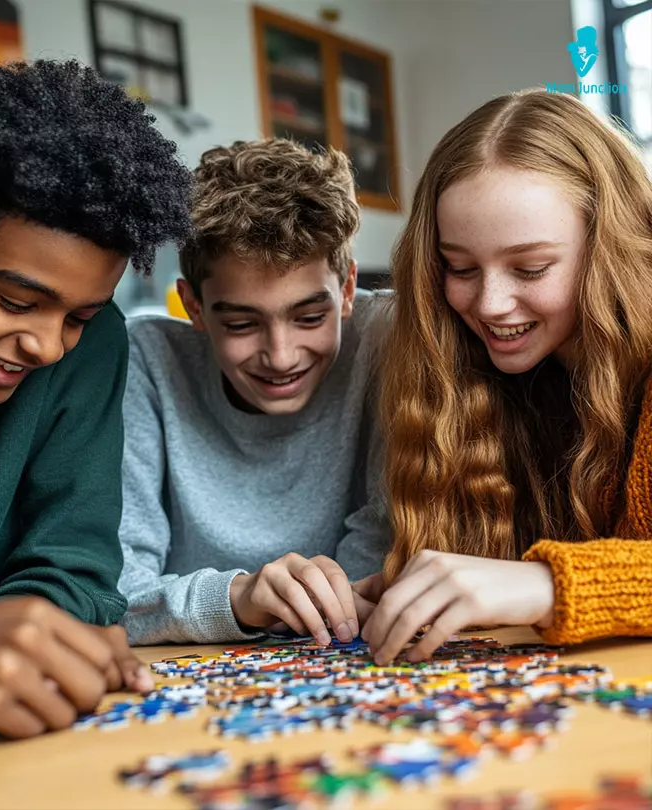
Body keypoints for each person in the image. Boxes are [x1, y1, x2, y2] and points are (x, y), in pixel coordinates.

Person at [0, 59, 192, 737]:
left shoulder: (94, 345)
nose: (48, 347)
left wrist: (50, 638)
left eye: (78, 314)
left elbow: (76, 567)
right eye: (17, 301)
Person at [356, 89, 652, 665]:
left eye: (531, 268)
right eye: (459, 267)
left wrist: (547, 585)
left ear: (609, 248)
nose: (490, 304)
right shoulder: (473, 375)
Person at [118, 138, 390, 647]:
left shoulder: (387, 337)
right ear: (194, 307)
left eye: (310, 317)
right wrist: (239, 599)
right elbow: (112, 592)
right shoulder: (147, 363)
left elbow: (383, 547)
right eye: (242, 324)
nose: (281, 355)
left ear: (348, 290)